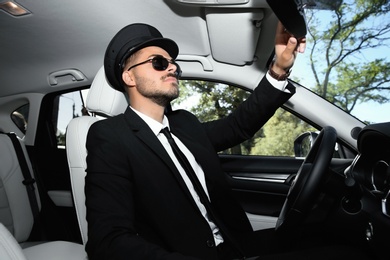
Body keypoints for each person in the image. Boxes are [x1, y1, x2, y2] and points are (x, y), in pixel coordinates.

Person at [85, 22, 305, 260]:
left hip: (239, 246)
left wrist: (279, 68)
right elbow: (108, 241)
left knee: (331, 239)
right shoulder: (110, 136)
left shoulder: (185, 123)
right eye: (159, 63)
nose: (172, 68)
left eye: (172, 64)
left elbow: (239, 125)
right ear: (129, 77)